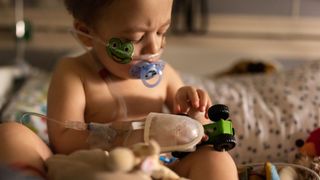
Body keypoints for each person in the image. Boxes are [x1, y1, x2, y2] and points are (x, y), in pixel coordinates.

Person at [0, 0, 238, 179]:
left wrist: (195, 114)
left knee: (217, 160)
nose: (153, 47)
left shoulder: (165, 75)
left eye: (161, 32)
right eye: (135, 38)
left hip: (159, 166)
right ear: (87, 35)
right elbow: (64, 140)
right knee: (11, 133)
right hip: (95, 165)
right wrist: (124, 137)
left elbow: (197, 130)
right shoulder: (74, 72)